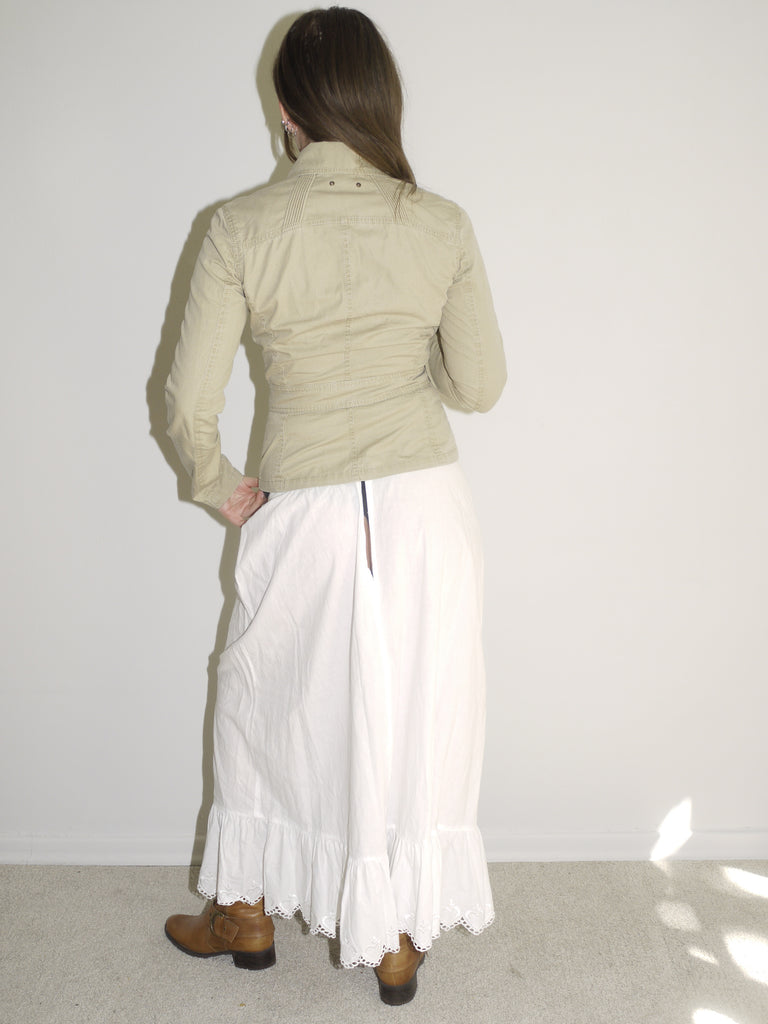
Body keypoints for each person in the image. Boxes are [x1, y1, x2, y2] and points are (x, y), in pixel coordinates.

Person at [163, 6, 506, 1006]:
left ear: (286, 108)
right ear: (381, 98)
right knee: (415, 713)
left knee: (266, 705)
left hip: (302, 506)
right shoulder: (439, 222)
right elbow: (479, 384)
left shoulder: (239, 226)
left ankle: (249, 912)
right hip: (428, 511)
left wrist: (216, 482)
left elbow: (187, 402)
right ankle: (395, 933)